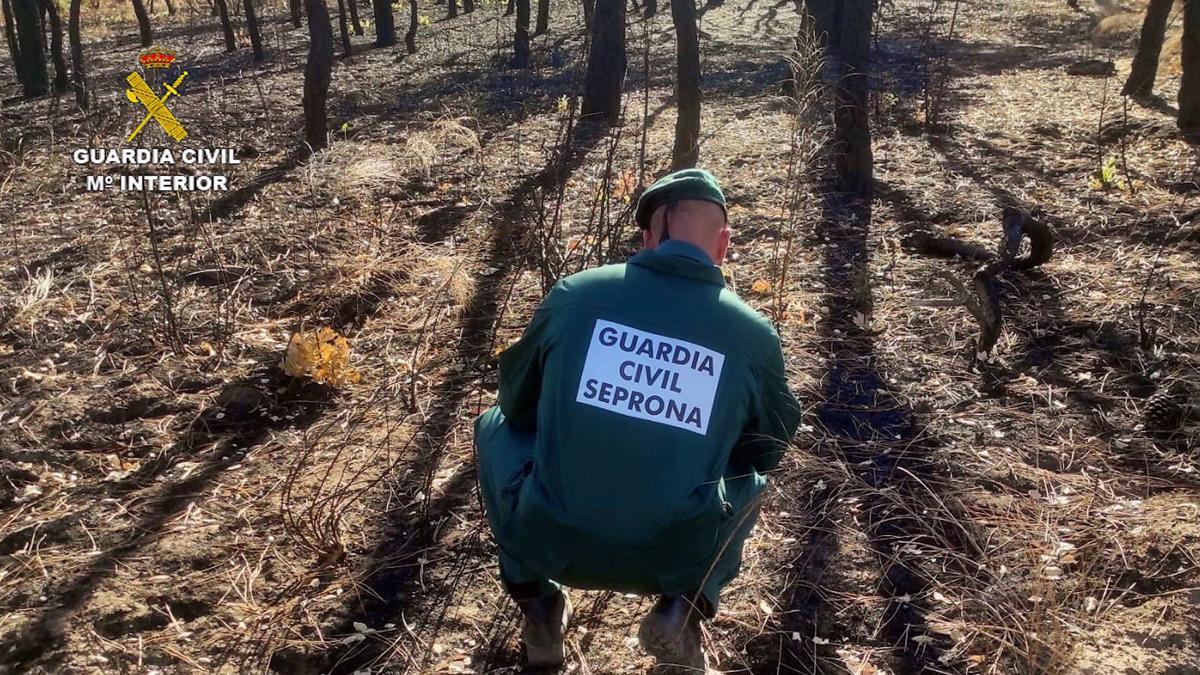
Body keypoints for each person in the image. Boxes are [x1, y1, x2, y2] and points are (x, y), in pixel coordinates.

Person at [474, 169, 801, 672]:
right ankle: (683, 610)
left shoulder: (577, 295)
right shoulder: (752, 334)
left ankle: (539, 612)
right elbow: (766, 449)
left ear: (648, 238)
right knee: (750, 483)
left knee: (494, 426)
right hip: (677, 552)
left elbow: (517, 404)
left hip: (552, 535)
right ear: (724, 245)